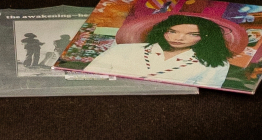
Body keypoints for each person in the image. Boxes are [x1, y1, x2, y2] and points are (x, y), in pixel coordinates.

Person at [82, 12, 236, 88]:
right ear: (162, 31)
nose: (179, 38)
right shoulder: (122, 51)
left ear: (206, 37)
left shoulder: (215, 64)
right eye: (173, 31)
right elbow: (88, 81)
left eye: (193, 34)